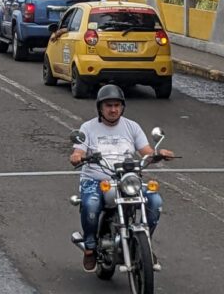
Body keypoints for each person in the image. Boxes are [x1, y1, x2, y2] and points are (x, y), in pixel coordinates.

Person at [69, 84, 174, 273]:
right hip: (96, 180)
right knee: (91, 204)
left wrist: (159, 153)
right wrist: (77, 156)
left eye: (117, 105)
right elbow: (78, 151)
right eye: (108, 105)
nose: (113, 109)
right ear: (100, 107)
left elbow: (146, 152)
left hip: (127, 179)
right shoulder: (89, 127)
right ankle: (90, 247)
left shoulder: (132, 126)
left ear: (122, 107)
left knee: (155, 201)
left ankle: (144, 246)